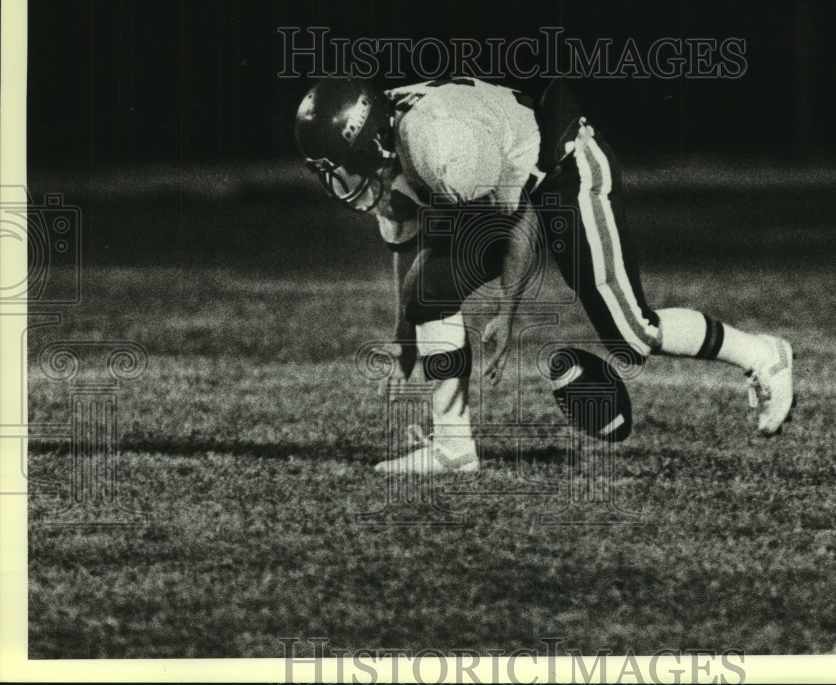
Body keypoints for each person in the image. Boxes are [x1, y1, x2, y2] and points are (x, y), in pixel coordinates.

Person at [294, 76, 795, 474]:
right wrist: (406, 333)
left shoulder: (439, 147)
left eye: (339, 167)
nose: (338, 183)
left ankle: (762, 353)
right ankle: (453, 447)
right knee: (427, 295)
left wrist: (508, 311)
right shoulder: (392, 156)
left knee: (631, 334)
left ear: (369, 145)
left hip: (563, 171)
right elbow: (406, 245)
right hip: (502, 186)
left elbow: (520, 219)